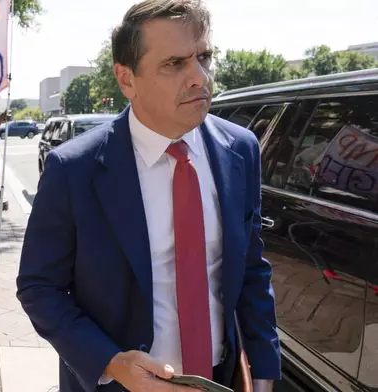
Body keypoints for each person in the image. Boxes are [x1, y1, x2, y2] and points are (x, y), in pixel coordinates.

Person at [16, 1, 281, 392]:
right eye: (174, 64)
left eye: (204, 57)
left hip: (219, 380)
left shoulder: (240, 150)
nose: (199, 77)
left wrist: (262, 370)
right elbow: (39, 287)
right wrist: (110, 362)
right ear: (126, 79)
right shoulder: (74, 169)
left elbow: (251, 271)